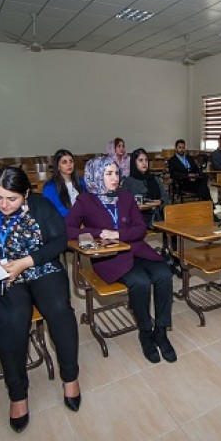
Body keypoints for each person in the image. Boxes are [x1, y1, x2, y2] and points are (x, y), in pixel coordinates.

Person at [0, 166, 80, 434]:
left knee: (59, 309)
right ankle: (18, 394)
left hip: (40, 267)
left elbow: (59, 241)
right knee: (13, 320)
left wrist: (26, 262)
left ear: (26, 193)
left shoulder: (41, 206)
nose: (3, 204)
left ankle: (70, 377)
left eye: (12, 198)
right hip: (3, 275)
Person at [66, 156, 177, 364]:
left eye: (116, 173)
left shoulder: (126, 197)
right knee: (140, 282)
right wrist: (99, 232)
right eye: (108, 174)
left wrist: (118, 234)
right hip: (109, 258)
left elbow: (140, 229)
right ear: (96, 176)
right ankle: (145, 333)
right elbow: (68, 229)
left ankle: (161, 332)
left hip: (137, 249)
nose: (114, 178)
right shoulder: (85, 201)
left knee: (164, 274)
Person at [121, 148, 169, 227]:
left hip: (157, 217)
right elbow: (124, 203)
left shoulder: (154, 179)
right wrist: (146, 204)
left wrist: (160, 202)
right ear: (134, 163)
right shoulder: (128, 182)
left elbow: (165, 196)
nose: (144, 163)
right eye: (140, 160)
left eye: (146, 160)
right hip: (139, 218)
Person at [41, 149, 86, 218]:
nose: (69, 164)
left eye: (71, 161)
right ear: (58, 167)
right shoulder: (50, 187)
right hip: (63, 221)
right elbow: (50, 212)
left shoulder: (81, 181)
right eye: (64, 162)